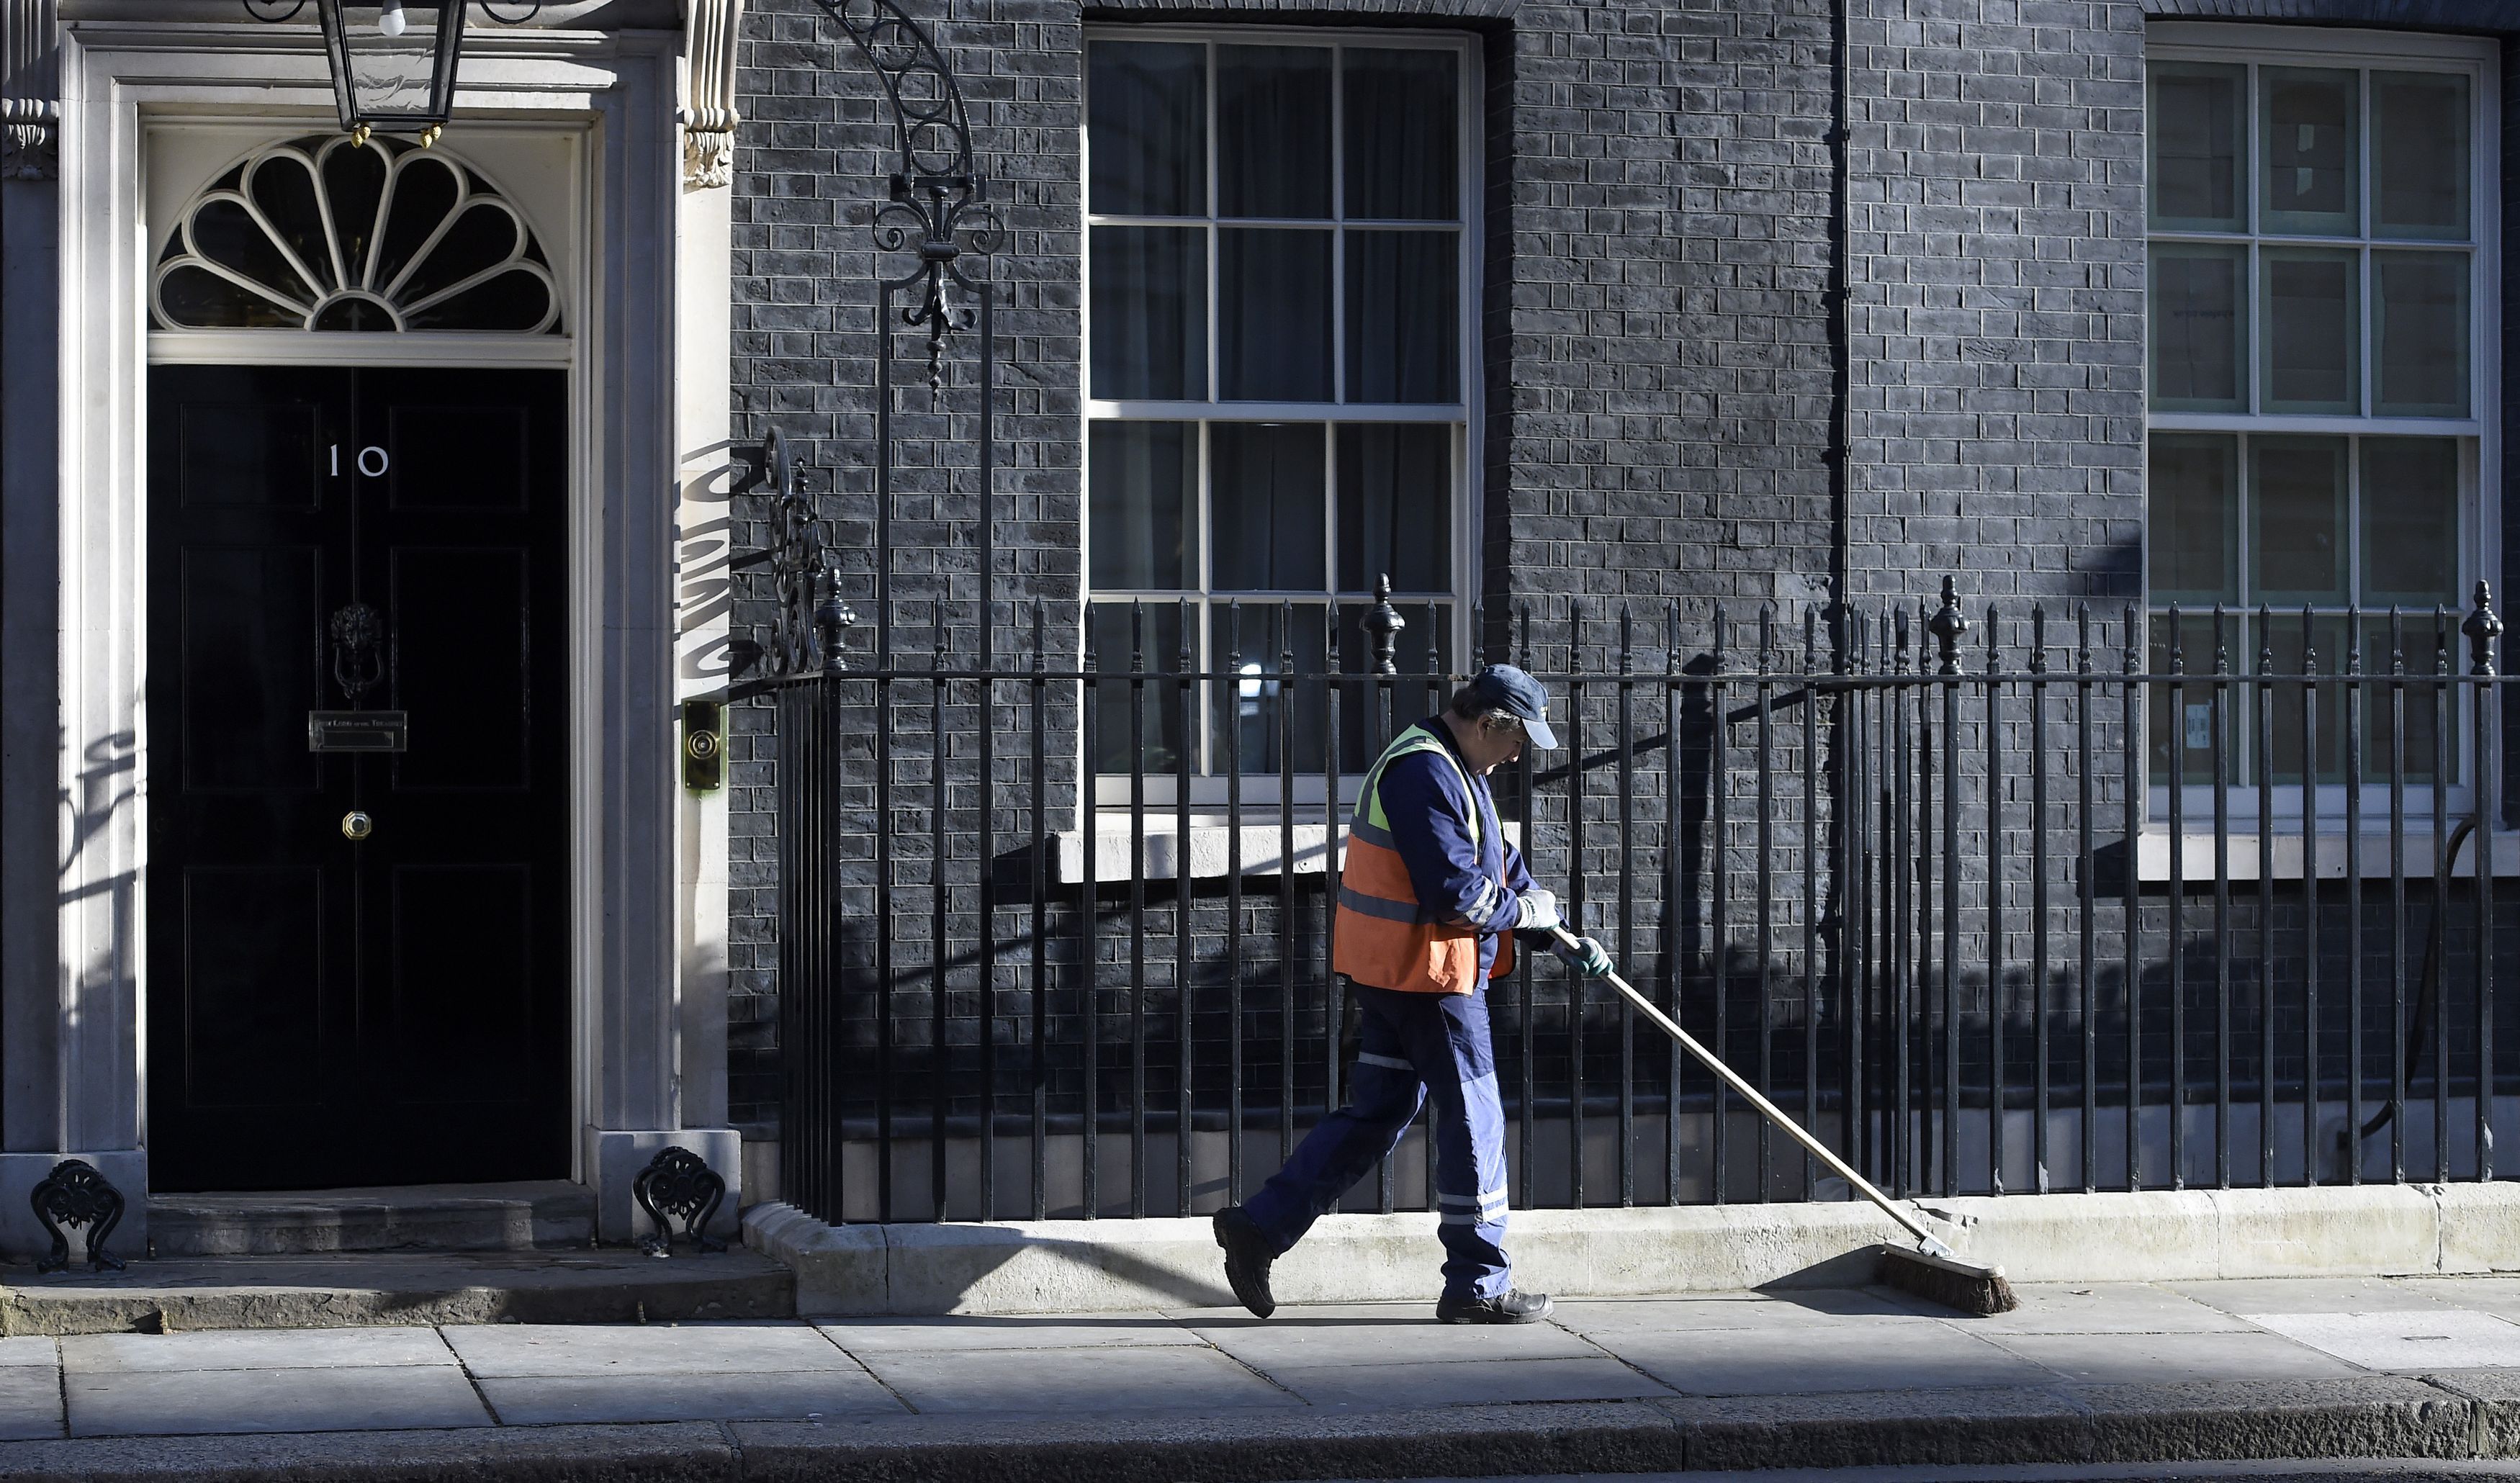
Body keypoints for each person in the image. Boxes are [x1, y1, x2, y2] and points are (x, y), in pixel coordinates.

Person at [1212, 664, 1614, 1324]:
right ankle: (1478, 1283)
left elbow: (1497, 864)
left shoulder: (1453, 766)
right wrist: (1526, 914)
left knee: (1379, 1111)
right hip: (1432, 979)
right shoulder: (1426, 772)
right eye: (1517, 740)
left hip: (1398, 976)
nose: (1519, 755)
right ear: (1487, 723)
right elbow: (1456, 893)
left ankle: (1259, 1227)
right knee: (1474, 1117)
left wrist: (1558, 932)